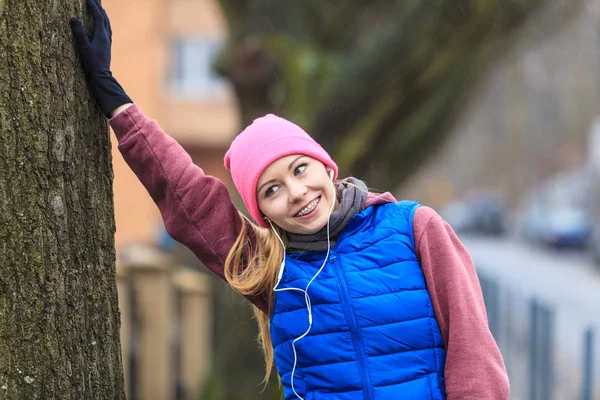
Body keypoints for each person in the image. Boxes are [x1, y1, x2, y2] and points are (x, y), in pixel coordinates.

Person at [70, 1, 509, 399]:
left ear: (326, 167)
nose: (297, 193)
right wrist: (115, 100)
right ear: (263, 212)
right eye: (271, 189)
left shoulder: (416, 228)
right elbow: (189, 197)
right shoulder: (270, 268)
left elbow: (473, 352)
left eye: (300, 169)